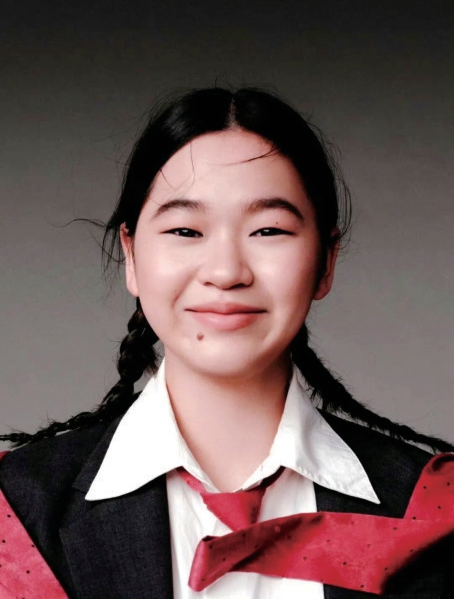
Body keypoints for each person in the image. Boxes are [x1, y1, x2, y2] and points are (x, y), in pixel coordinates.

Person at [0, 87, 453, 599]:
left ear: (326, 261)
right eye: (185, 231)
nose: (225, 272)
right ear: (131, 255)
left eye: (268, 230)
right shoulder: (16, 518)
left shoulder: (431, 512)